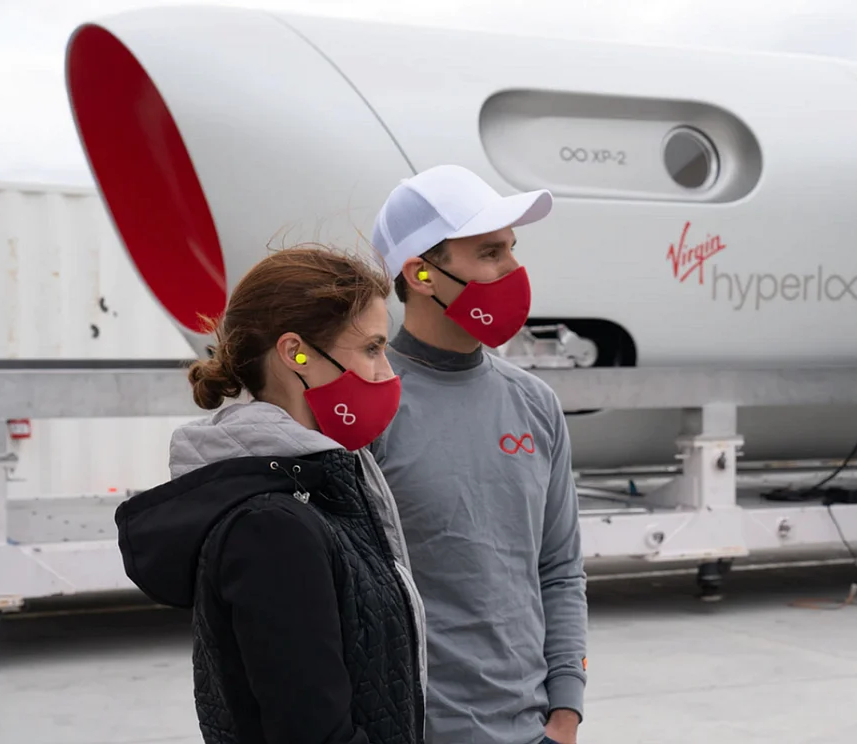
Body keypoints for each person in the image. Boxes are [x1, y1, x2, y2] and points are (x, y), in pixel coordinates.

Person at [114, 245, 428, 744]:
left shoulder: (322, 489)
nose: (387, 372)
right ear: (295, 353)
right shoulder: (272, 528)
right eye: (371, 349)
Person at [369, 164, 588, 744]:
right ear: (420, 273)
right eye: (490, 252)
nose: (513, 268)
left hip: (534, 730)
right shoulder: (368, 411)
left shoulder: (535, 403)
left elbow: (560, 569)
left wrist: (565, 712)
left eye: (512, 248)